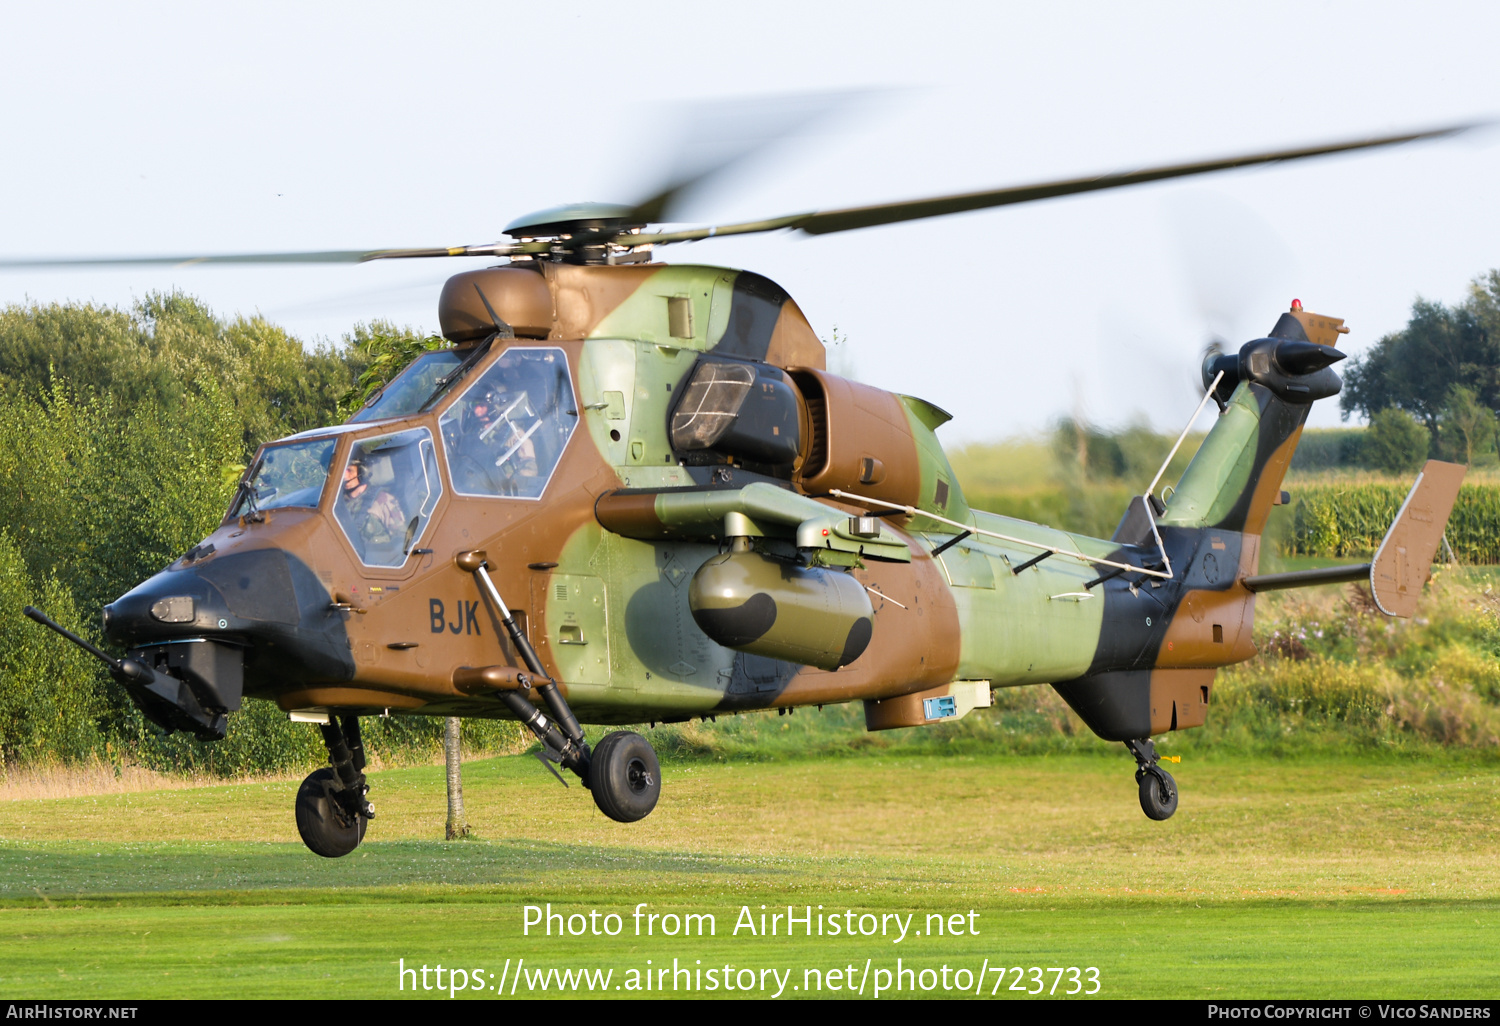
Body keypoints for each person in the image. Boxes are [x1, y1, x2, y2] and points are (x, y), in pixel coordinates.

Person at [338, 455, 407, 560]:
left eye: (349, 470)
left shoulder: (383, 500)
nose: (344, 476)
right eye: (341, 470)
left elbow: (401, 543)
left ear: (363, 471)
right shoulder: (337, 505)